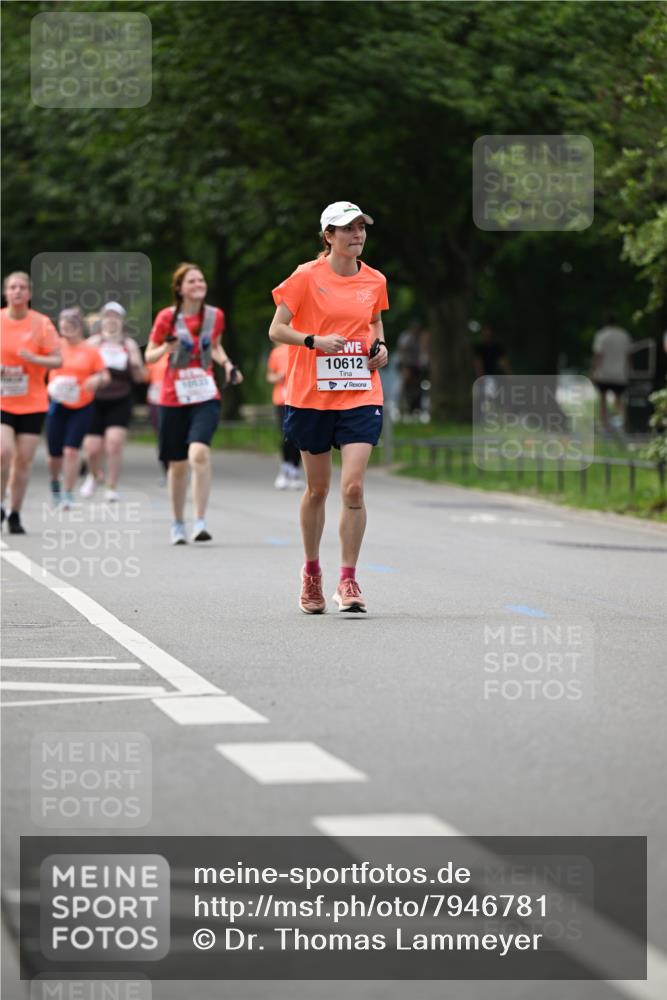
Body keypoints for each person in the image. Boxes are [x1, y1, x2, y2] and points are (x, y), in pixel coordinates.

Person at [268, 200, 389, 614]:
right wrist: (313, 341)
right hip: (311, 395)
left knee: (353, 487)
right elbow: (276, 329)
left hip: (360, 391)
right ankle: (311, 573)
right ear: (328, 236)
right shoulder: (306, 277)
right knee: (318, 489)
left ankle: (349, 580)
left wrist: (380, 347)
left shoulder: (374, 280)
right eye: (347, 229)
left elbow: (374, 322)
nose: (356, 234)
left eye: (361, 227)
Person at [145, 262, 243, 545]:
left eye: (201, 280)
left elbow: (215, 346)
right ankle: (177, 523)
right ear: (179, 288)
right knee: (176, 465)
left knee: (199, 454)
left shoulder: (215, 316)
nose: (198, 285)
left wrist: (227, 365)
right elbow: (149, 356)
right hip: (173, 398)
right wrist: (166, 348)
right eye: (191, 281)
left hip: (205, 394)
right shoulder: (166, 317)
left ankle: (200, 521)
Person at [1, 271, 62, 533]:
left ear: (29, 293)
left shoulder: (42, 324)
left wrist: (35, 359)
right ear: (6, 292)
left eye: (22, 287)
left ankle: (15, 513)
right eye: (12, 287)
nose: (17, 291)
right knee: (3, 453)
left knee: (23, 460)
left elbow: (58, 360)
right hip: (3, 400)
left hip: (33, 402)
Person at [80, 302, 145, 501]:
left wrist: (135, 366)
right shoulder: (92, 343)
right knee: (92, 449)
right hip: (94, 399)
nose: (111, 320)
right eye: (107, 316)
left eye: (115, 316)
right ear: (102, 319)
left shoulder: (129, 345)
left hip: (120, 398)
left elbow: (141, 377)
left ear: (121, 320)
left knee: (114, 444)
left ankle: (111, 486)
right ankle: (93, 475)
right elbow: (78, 368)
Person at [47, 308, 110, 509]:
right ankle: (55, 482)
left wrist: (96, 379)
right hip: (57, 405)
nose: (65, 330)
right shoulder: (54, 347)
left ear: (78, 327)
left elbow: (105, 375)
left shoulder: (90, 350)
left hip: (82, 405)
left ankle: (67, 493)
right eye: (62, 326)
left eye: (70, 326)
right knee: (54, 454)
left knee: (71, 450)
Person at [266, 342, 303, 489]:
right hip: (282, 400)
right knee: (286, 433)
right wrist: (278, 377)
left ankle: (295, 470)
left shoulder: (303, 348)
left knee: (299, 435)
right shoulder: (277, 352)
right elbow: (269, 376)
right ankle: (285, 468)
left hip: (300, 399)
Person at [591, 313, 632, 432]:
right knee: (618, 400)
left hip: (604, 373)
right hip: (620, 373)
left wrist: (593, 371)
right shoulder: (624, 335)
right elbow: (629, 355)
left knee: (602, 399)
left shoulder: (602, 335)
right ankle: (625, 422)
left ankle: (604, 425)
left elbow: (598, 355)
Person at [145, 351, 169, 482]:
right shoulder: (153, 356)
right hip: (156, 398)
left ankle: (181, 467)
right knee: (161, 435)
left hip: (174, 396)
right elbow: (145, 377)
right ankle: (166, 471)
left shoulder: (180, 353)